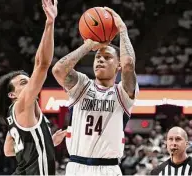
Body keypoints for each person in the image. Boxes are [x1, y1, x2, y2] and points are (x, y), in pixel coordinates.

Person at [52, 7, 139, 176]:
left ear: (118, 65)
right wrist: (88, 46)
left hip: (108, 169)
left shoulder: (122, 93)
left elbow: (129, 65)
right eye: (98, 57)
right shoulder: (82, 85)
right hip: (76, 166)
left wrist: (122, 30)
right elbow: (58, 70)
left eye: (107, 57)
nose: (100, 59)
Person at [0, 0, 66, 175]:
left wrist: (47, 143)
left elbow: (9, 150)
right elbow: (42, 64)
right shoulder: (22, 105)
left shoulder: (14, 116)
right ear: (12, 95)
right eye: (23, 83)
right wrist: (50, 23)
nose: (30, 83)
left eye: (29, 80)